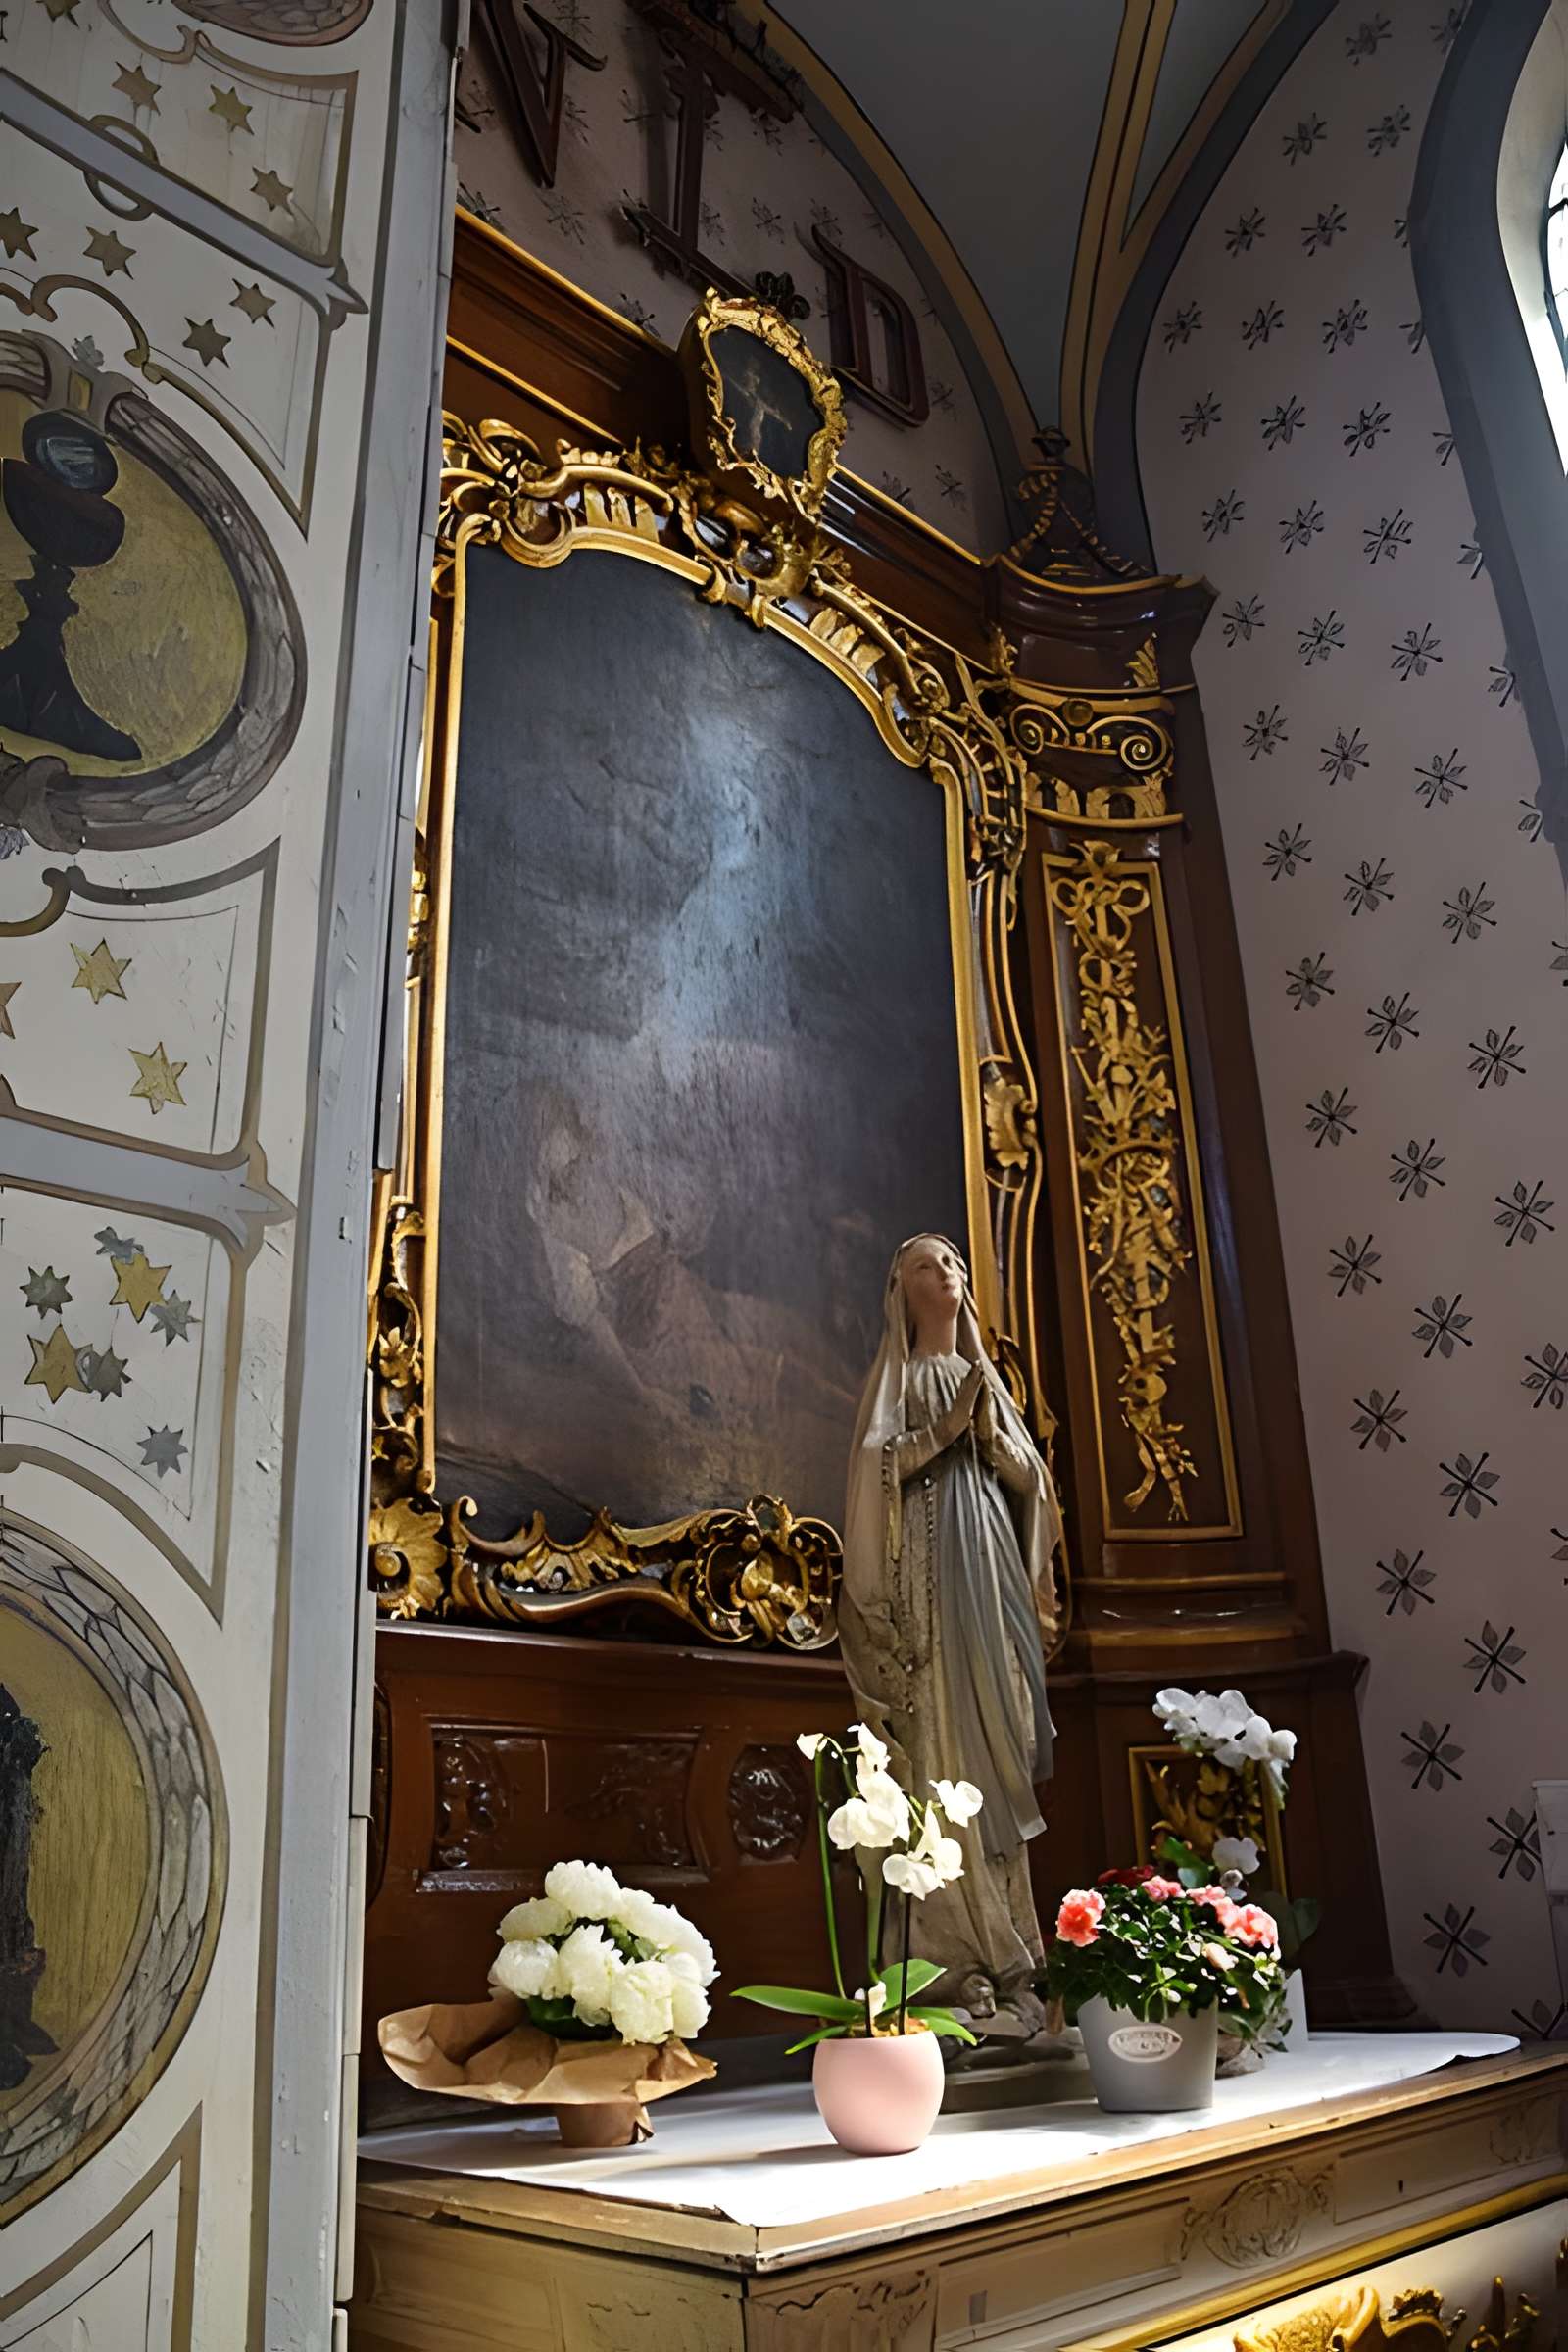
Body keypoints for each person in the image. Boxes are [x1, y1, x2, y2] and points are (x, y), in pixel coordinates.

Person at [840, 1234, 1063, 2035]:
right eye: (932, 1264)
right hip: (929, 1598)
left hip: (990, 1582)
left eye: (957, 1265)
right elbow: (873, 1481)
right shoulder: (899, 1382)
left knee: (996, 1755)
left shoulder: (983, 1379)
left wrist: (992, 1440)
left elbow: (1033, 1485)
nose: (951, 1275)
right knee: (942, 1754)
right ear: (900, 1287)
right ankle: (950, 1969)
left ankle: (1014, 1960)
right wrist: (941, 1433)